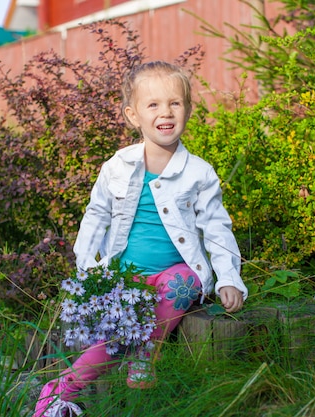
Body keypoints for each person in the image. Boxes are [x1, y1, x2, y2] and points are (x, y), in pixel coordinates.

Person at [33, 60, 248, 417]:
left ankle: (145, 351)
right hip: (123, 277)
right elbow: (96, 216)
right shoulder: (117, 166)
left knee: (184, 282)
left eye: (175, 103)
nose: (166, 112)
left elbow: (216, 227)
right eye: (154, 105)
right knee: (113, 337)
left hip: (171, 277)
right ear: (133, 115)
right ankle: (59, 391)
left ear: (188, 110)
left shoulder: (198, 172)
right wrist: (89, 270)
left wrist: (229, 278)